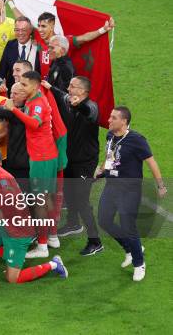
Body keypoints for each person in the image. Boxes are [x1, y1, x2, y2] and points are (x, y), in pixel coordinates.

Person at [0, 145, 69, 284]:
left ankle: (54, 264)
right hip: (6, 225)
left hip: (18, 232)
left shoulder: (4, 182)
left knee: (13, 279)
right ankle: (11, 258)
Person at [95, 106, 166, 282]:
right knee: (104, 220)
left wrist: (160, 185)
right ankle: (130, 248)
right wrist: (102, 171)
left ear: (124, 121)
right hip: (112, 187)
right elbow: (111, 158)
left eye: (113, 118)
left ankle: (139, 263)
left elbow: (151, 162)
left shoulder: (137, 140)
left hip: (130, 190)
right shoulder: (110, 136)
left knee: (129, 226)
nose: (109, 120)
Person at [44, 76, 102, 255]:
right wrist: (49, 86)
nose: (69, 88)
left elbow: (88, 112)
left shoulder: (91, 107)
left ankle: (95, 241)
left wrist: (78, 105)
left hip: (85, 163)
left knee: (82, 201)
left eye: (73, 86)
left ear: (83, 92)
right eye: (69, 85)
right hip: (70, 158)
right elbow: (60, 94)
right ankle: (73, 223)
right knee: (69, 193)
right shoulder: (68, 99)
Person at [4, 71, 59, 258]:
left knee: (39, 202)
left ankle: (42, 246)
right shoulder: (34, 98)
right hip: (46, 155)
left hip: (41, 158)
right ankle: (52, 236)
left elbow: (34, 124)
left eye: (25, 84)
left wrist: (14, 110)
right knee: (46, 198)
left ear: (35, 86)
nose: (21, 87)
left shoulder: (37, 103)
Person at [0, 17, 40, 91]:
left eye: (23, 30)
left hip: (33, 90)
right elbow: (2, 70)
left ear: (30, 30)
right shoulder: (10, 45)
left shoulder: (38, 47)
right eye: (17, 30)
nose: (20, 33)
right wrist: (0, 84)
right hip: (14, 91)